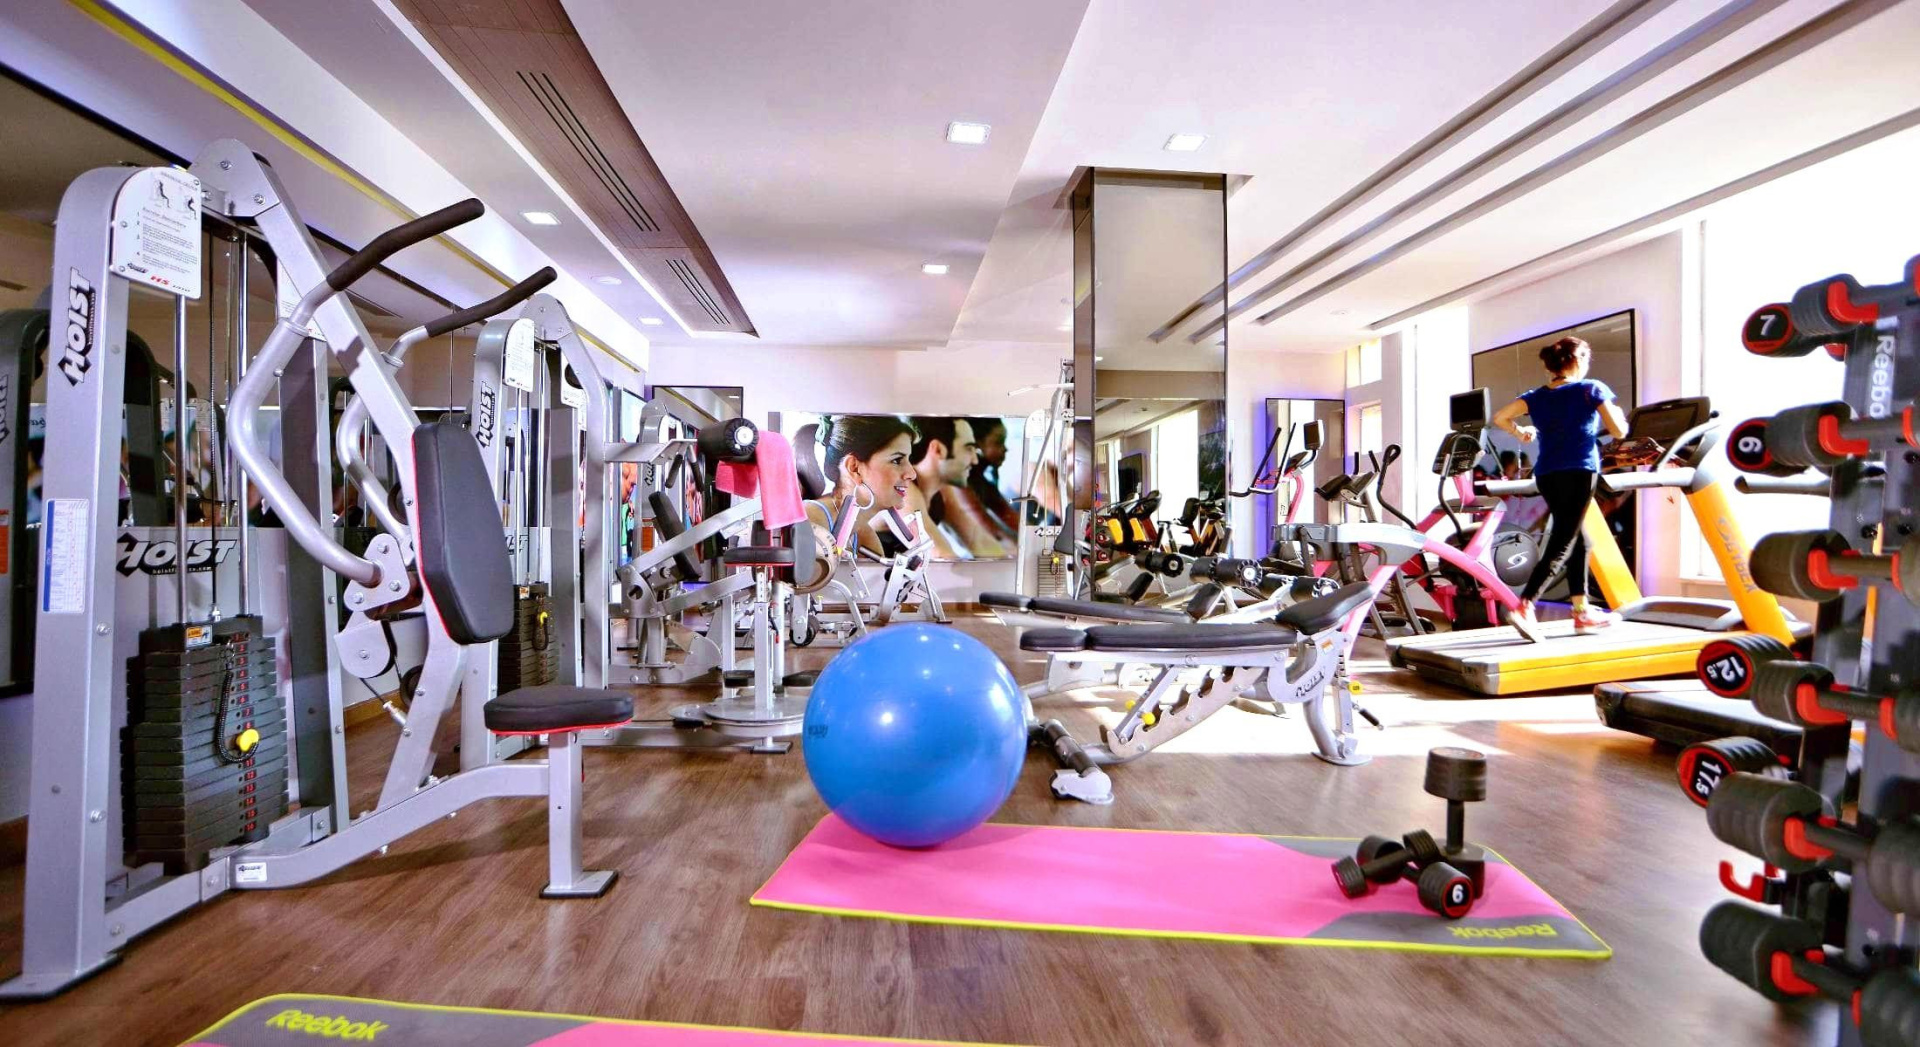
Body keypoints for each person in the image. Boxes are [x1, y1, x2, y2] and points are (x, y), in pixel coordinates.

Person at [1490, 336, 1629, 641]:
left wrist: (1521, 432)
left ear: (1550, 367)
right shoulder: (1591, 389)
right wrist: (1619, 417)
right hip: (1578, 470)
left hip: (1548, 475)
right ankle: (1525, 605)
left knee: (1580, 540)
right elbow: (1619, 431)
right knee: (1564, 541)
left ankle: (1582, 612)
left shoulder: (1536, 396)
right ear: (1578, 361)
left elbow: (1500, 417)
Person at [803, 415, 921, 560]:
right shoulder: (812, 520)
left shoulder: (864, 536)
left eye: (908, 460)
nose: (912, 474)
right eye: (897, 460)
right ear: (855, 468)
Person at [907, 417, 1005, 559]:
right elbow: (940, 555)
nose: (975, 460)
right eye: (968, 448)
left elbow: (978, 540)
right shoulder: (905, 491)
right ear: (938, 450)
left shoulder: (942, 490)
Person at [965, 416, 1020, 536]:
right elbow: (994, 534)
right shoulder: (964, 484)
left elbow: (1014, 520)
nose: (1005, 449)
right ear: (977, 445)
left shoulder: (984, 484)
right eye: (998, 442)